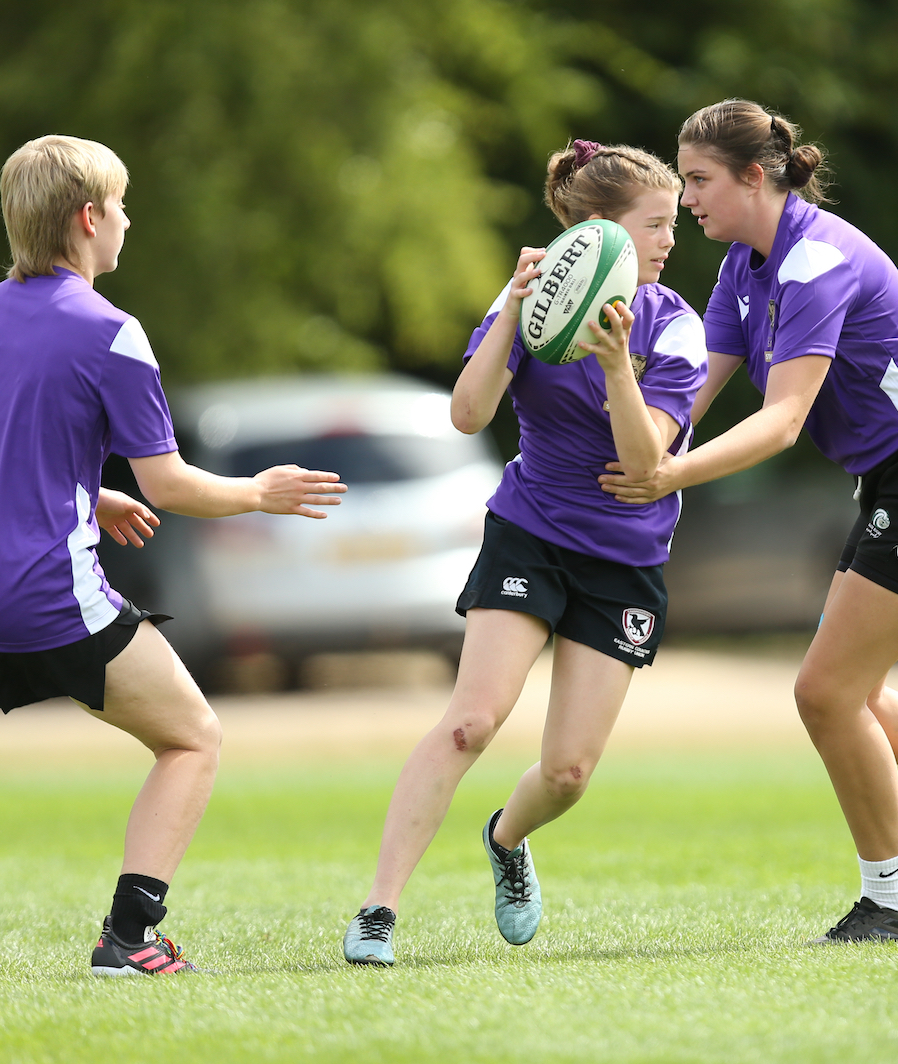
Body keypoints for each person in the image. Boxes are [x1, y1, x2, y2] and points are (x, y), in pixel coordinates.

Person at [0, 135, 347, 979]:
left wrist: (88, 494)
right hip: (45, 597)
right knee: (193, 739)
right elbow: (169, 484)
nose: (130, 220)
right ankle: (129, 940)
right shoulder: (115, 334)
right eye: (123, 205)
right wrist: (258, 490)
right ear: (90, 218)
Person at [599, 100, 898, 943]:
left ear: (755, 176)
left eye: (701, 181)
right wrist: (627, 423)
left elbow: (783, 421)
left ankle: (892, 904)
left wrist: (672, 476)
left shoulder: (815, 262)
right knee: (853, 692)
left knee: (826, 693)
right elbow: (690, 399)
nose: (689, 201)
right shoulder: (743, 269)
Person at [341, 141, 706, 966]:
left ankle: (506, 838)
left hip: (625, 558)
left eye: (673, 225)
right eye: (655, 225)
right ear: (598, 233)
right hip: (531, 531)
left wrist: (616, 366)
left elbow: (645, 461)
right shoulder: (531, 303)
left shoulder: (674, 325)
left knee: (568, 772)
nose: (669, 240)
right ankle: (378, 910)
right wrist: (510, 310)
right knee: (470, 722)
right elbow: (468, 415)